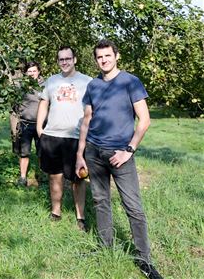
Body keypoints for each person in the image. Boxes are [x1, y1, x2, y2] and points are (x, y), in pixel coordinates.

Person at [75, 39, 162, 279]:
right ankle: (105, 248)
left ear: (117, 56)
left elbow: (144, 120)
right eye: (99, 57)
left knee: (133, 207)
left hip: (120, 155)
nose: (103, 60)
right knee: (100, 202)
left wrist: (129, 150)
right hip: (94, 152)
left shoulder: (130, 82)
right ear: (95, 60)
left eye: (107, 56)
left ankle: (144, 261)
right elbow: (86, 120)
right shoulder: (93, 85)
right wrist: (80, 155)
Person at [36, 46, 91, 231]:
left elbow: (93, 109)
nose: (65, 62)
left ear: (75, 59)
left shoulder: (87, 81)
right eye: (61, 59)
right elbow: (44, 103)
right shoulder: (51, 81)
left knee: (78, 178)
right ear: (58, 62)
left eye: (68, 58)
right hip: (52, 136)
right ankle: (56, 212)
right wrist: (39, 128)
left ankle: (80, 217)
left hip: (75, 138)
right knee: (54, 177)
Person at [10, 61, 45, 187]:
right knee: (24, 152)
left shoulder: (45, 85)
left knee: (42, 151)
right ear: (25, 73)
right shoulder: (21, 86)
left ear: (39, 71)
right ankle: (23, 177)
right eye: (29, 71)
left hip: (41, 125)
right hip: (25, 123)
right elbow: (14, 103)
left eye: (34, 71)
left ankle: (42, 175)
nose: (32, 74)